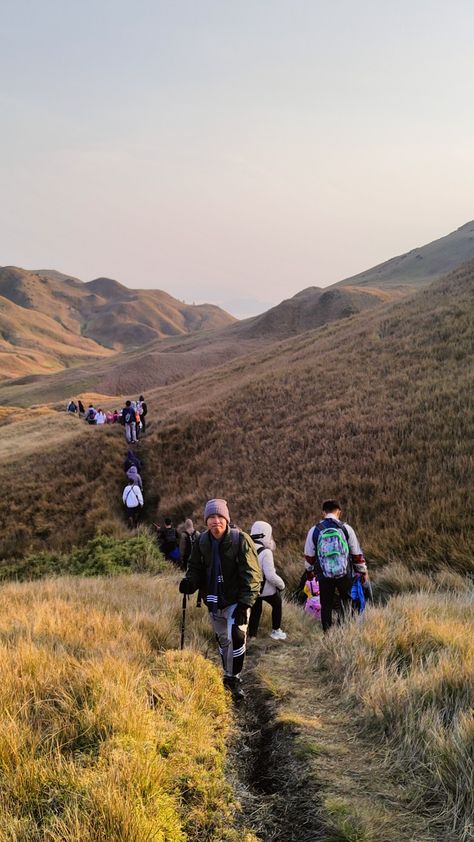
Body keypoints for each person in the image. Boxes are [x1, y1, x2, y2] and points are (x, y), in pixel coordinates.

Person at [179, 498, 262, 700]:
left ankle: (234, 678)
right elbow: (196, 568)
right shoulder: (201, 542)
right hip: (214, 599)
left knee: (237, 636)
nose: (216, 521)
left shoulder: (240, 540)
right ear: (206, 521)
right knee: (224, 640)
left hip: (237, 599)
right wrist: (190, 583)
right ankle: (227, 673)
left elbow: (252, 574)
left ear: (226, 518)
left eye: (219, 516)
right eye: (211, 517)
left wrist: (245, 604)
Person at [304, 499, 368, 633]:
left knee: (326, 604)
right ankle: (343, 631)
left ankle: (327, 634)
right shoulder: (346, 528)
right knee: (346, 601)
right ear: (339, 511)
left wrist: (310, 572)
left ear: (323, 512)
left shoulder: (314, 530)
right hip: (344, 572)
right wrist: (362, 571)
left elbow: (309, 556)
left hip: (324, 573)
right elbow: (356, 554)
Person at [248, 520, 287, 641]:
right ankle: (276, 631)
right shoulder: (266, 552)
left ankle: (252, 636)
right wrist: (282, 585)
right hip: (266, 589)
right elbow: (270, 575)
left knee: (255, 610)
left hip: (252, 588)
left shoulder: (247, 547)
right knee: (277, 603)